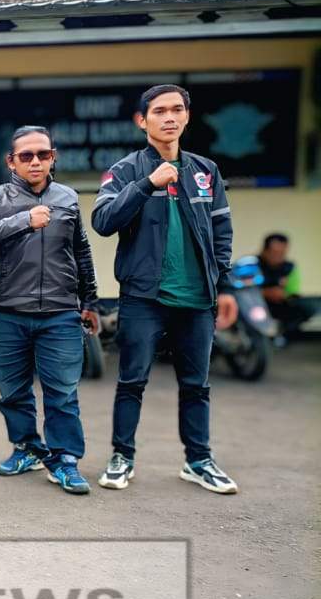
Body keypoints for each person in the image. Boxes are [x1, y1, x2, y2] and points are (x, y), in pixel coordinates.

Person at [92, 84, 239, 494]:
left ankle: (199, 461)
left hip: (198, 297)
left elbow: (222, 231)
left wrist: (223, 285)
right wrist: (147, 184)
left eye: (177, 109)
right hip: (144, 296)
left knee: (196, 386)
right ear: (142, 121)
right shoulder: (125, 170)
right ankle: (122, 457)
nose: (169, 117)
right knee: (131, 381)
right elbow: (103, 222)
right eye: (159, 111)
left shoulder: (206, 170)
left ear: (187, 117)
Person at [0, 125, 99, 494]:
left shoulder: (68, 197)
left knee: (63, 394)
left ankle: (65, 460)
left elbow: (81, 251)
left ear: (53, 157)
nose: (36, 161)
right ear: (12, 161)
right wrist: (25, 220)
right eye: (26, 155)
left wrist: (90, 301)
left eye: (43, 154)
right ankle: (26, 447)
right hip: (7, 312)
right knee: (14, 393)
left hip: (60, 312)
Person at [259, 233, 313, 341]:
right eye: (275, 253)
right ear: (265, 251)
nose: (278, 257)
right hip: (257, 304)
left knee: (307, 306)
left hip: (280, 306)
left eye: (282, 253)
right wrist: (265, 292)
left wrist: (284, 294)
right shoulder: (252, 265)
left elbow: (293, 291)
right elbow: (241, 292)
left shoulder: (289, 267)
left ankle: (281, 335)